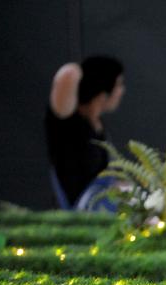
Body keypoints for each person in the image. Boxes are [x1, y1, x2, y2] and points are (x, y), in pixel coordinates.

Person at [45, 56, 125, 210]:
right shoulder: (67, 124)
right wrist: (88, 71)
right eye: (119, 84)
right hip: (78, 222)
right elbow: (69, 73)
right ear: (104, 92)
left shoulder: (98, 126)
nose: (122, 91)